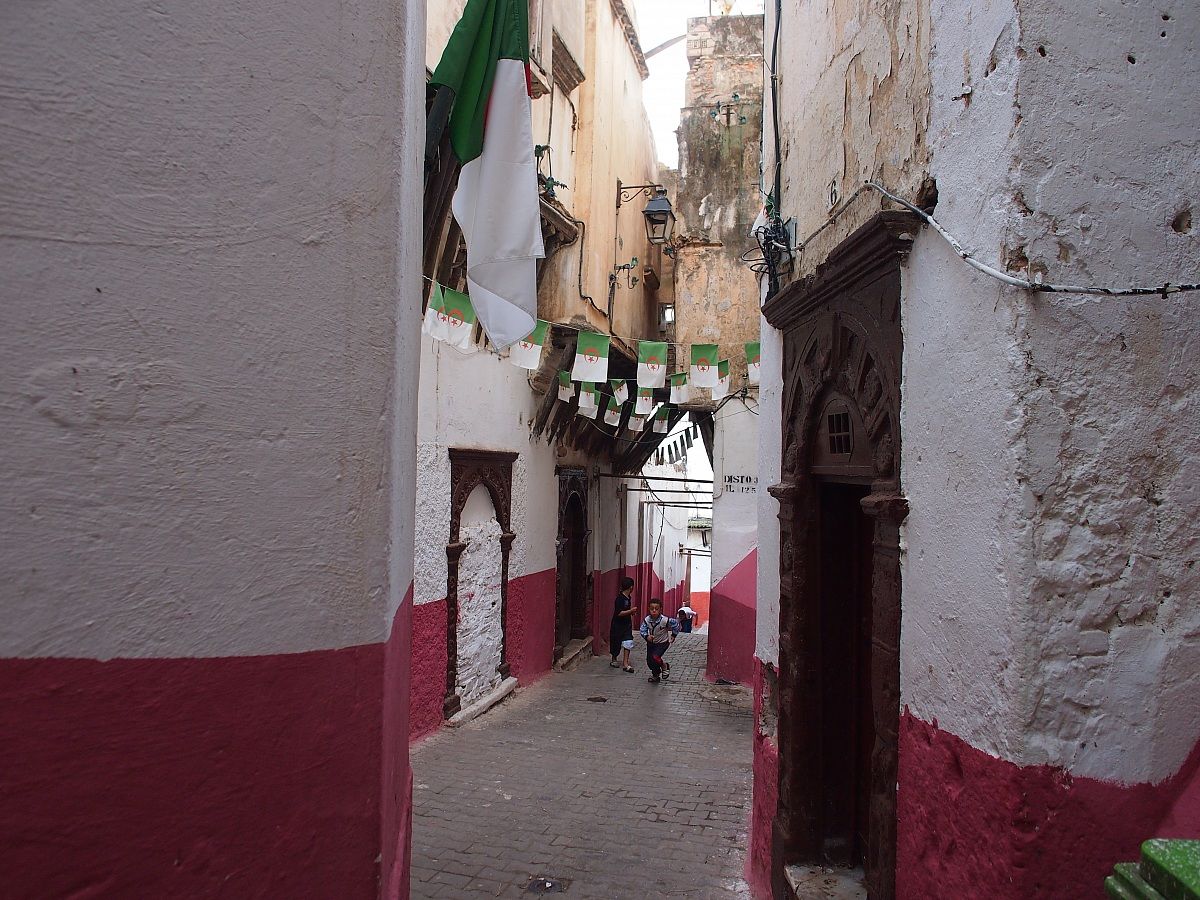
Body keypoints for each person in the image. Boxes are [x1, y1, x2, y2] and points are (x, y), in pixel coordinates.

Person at [639, 599, 680, 683]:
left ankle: (664, 666)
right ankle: (656, 675)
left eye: (656, 609)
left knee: (655, 657)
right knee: (650, 662)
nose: (654, 611)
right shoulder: (647, 620)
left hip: (662, 643)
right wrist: (647, 637)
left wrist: (673, 635)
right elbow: (642, 629)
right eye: (652, 608)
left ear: (660, 609)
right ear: (649, 609)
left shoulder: (665, 620)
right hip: (651, 643)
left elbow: (676, 624)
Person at [609, 575, 637, 673]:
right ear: (631, 587)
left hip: (626, 624)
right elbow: (619, 613)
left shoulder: (628, 597)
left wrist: (630, 612)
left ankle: (625, 663)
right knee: (616, 642)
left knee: (628, 641)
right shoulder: (620, 599)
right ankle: (614, 659)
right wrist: (631, 611)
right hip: (618, 624)